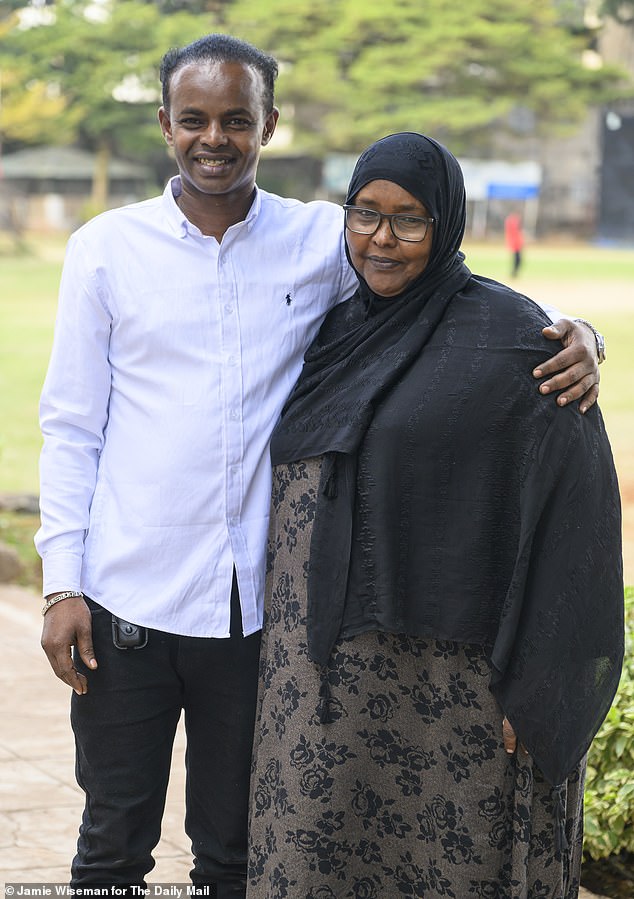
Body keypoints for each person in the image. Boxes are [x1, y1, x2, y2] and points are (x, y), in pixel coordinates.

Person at [35, 33, 603, 896]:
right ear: (165, 125)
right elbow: (72, 425)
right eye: (194, 120)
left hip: (253, 615)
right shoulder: (104, 249)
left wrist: (577, 332)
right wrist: (61, 583)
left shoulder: (317, 240)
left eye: (236, 119)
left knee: (234, 849)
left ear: (269, 124)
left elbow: (440, 279)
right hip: (126, 600)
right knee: (110, 846)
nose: (214, 138)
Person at [247, 133, 624, 898]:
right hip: (325, 684)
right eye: (365, 213)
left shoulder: (516, 339)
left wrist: (546, 682)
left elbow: (578, 512)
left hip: (457, 700)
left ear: (446, 223)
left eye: (409, 219)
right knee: (321, 862)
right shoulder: (336, 327)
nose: (381, 238)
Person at [505, 209, 524, 277]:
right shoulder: (512, 221)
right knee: (517, 259)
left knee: (518, 259)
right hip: (515, 244)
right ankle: (514, 273)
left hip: (517, 244)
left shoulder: (512, 221)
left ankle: (514, 273)